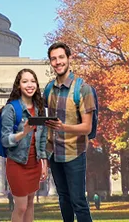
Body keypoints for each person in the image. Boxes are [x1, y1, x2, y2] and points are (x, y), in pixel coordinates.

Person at [43, 42, 96, 222]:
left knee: (78, 201)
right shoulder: (49, 89)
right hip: (55, 154)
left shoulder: (82, 89)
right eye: (53, 59)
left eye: (61, 58)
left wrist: (63, 127)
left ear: (69, 59)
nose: (58, 62)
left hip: (74, 153)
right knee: (64, 200)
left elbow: (87, 127)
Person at [0, 69, 50, 222]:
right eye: (25, 81)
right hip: (17, 162)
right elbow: (5, 140)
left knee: (30, 205)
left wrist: (43, 163)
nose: (30, 85)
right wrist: (23, 133)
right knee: (21, 207)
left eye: (33, 81)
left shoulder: (40, 109)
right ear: (19, 85)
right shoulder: (11, 109)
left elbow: (42, 140)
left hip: (34, 163)